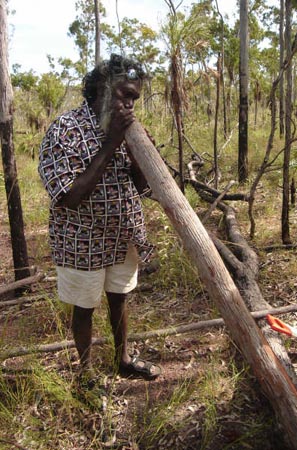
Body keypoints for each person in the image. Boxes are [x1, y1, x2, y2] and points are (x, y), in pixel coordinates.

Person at [38, 54, 161, 387]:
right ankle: (85, 374)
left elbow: (145, 186)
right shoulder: (66, 129)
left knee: (119, 296)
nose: (129, 104)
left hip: (123, 234)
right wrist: (111, 144)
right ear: (100, 89)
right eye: (124, 94)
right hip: (81, 237)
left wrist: (137, 151)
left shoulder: (129, 129)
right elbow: (67, 196)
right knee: (84, 305)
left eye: (134, 97)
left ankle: (122, 360)